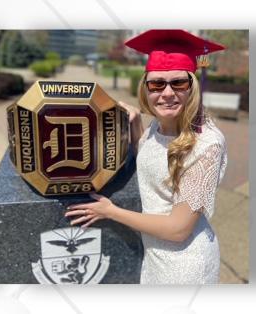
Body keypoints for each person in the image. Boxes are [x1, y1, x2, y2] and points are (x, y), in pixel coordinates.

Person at [65, 30, 228, 284]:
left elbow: (178, 229)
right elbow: (154, 161)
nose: (167, 93)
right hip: (154, 257)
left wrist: (110, 212)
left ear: (192, 86)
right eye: (157, 84)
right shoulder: (159, 124)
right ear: (146, 87)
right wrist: (135, 123)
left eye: (178, 83)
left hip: (185, 267)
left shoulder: (206, 145)